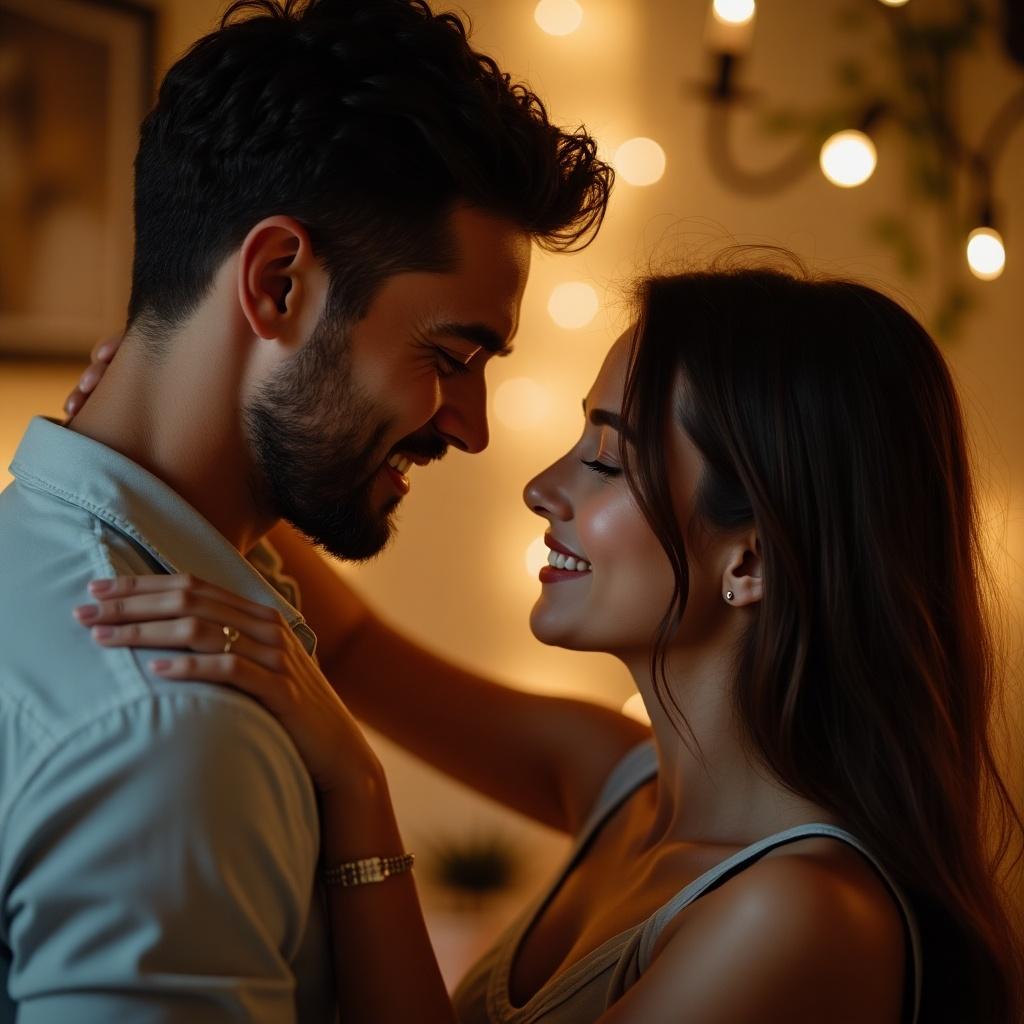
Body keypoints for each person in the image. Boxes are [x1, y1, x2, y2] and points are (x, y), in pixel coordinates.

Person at [70, 258, 1024, 1022]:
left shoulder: (805, 918)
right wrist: (157, 435)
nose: (542, 485)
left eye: (608, 457)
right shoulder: (623, 782)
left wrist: (357, 792)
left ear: (753, 561)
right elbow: (354, 651)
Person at [0, 0, 612, 1018]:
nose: (472, 429)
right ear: (278, 282)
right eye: (449, 357)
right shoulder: (171, 720)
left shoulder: (42, 560)